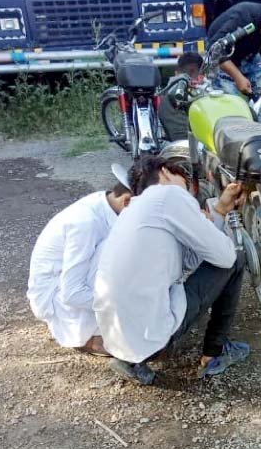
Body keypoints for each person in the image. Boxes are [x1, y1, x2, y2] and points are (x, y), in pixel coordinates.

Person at [93, 155, 250, 385]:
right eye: (185, 182)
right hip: (154, 339)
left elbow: (187, 262)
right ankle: (216, 353)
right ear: (165, 172)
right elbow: (225, 258)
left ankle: (132, 360)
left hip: (116, 340)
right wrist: (207, 223)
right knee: (237, 258)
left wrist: (219, 212)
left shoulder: (135, 211)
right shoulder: (169, 195)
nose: (189, 192)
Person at [27, 173, 132, 356]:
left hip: (72, 286)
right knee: (117, 246)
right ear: (127, 201)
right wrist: (124, 304)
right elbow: (72, 293)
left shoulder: (106, 202)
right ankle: (92, 336)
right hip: (56, 297)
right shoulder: (86, 222)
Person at [207, 2, 261, 123]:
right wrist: (238, 77)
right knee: (233, 104)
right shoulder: (243, 17)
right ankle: (237, 135)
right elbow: (214, 50)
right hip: (223, 58)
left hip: (249, 55)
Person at [159, 52, 203, 141]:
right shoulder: (176, 93)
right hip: (186, 144)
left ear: (176, 73)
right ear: (201, 75)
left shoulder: (167, 92)